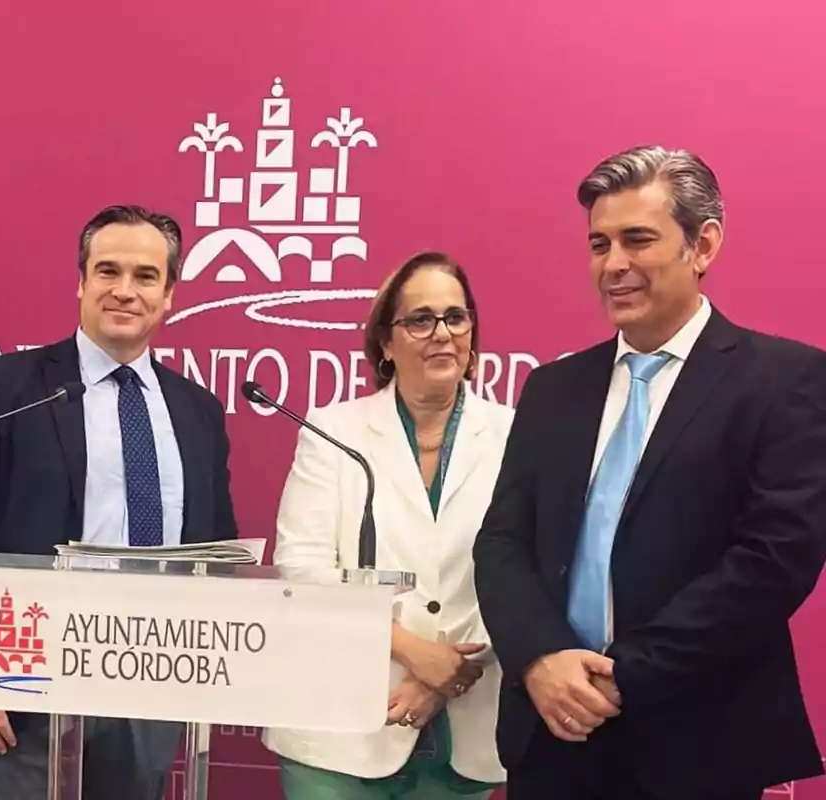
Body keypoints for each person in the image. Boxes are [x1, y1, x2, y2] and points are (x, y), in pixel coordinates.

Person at [472, 145, 826, 799]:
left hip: (697, 745)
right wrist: (542, 659)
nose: (614, 265)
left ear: (704, 245)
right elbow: (501, 544)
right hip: (553, 739)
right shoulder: (554, 388)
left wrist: (620, 674)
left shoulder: (785, 382)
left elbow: (772, 562)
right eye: (599, 244)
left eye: (638, 239)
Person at [0, 204, 239, 800]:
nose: (124, 291)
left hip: (153, 681)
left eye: (145, 277)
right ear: (81, 282)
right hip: (20, 682)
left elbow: (216, 549)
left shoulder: (197, 411)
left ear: (169, 294)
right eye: (107, 271)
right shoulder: (8, 387)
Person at [262, 251, 511, 799]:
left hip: (465, 729)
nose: (441, 333)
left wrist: (448, 676)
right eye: (420, 319)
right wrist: (411, 652)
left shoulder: (516, 435)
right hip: (335, 728)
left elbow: (531, 575)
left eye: (456, 317)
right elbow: (301, 574)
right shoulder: (333, 430)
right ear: (385, 343)